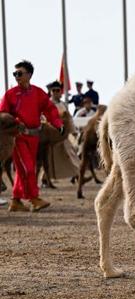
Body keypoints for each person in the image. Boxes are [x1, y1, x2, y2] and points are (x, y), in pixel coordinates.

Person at [0, 60, 63, 212]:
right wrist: (14, 122)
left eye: (19, 73)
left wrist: (57, 123)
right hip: (18, 138)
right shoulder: (10, 95)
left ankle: (15, 201)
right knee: (28, 168)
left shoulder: (38, 93)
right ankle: (34, 199)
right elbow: (3, 114)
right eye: (15, 74)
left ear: (29, 75)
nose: (16, 76)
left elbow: (49, 108)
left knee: (24, 169)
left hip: (34, 138)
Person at [46, 81, 80, 182]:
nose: (56, 92)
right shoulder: (47, 104)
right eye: (54, 90)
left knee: (71, 154)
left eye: (58, 90)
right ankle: (45, 179)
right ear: (51, 92)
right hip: (51, 136)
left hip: (63, 135)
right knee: (49, 159)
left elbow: (69, 119)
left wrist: (73, 131)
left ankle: (78, 174)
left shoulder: (63, 105)